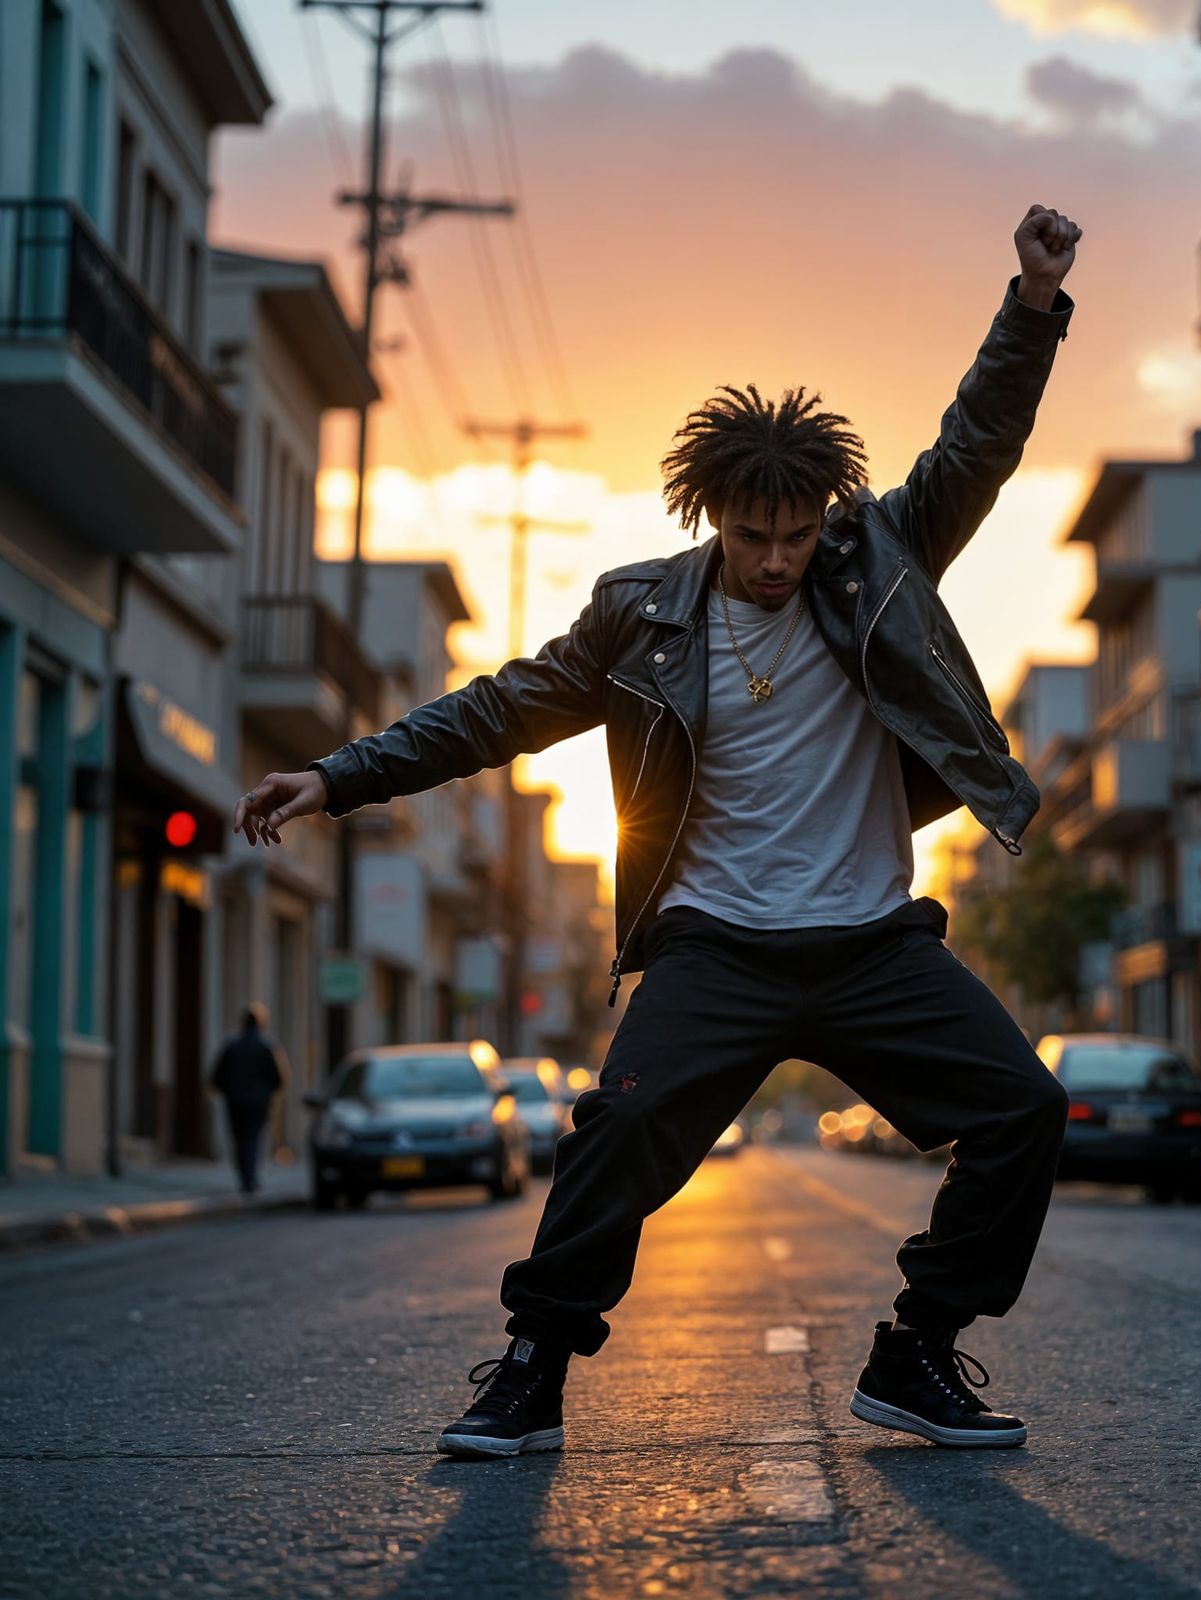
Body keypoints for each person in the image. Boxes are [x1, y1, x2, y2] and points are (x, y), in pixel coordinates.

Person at [234, 204, 1083, 1457]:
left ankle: (915, 1352)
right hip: (716, 948)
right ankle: (529, 1370)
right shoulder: (640, 616)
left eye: (798, 535)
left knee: (1025, 1111)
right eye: (754, 536)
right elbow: (501, 708)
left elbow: (979, 441)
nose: (779, 560)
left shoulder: (884, 557)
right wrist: (338, 774)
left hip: (871, 944)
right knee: (617, 1131)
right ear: (710, 515)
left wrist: (1029, 302)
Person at [208, 1004, 287, 1196]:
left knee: (239, 1139)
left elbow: (216, 1076)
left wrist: (226, 1090)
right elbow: (280, 1078)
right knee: (252, 1138)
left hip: (235, 1101)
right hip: (258, 1102)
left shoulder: (232, 1045)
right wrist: (268, 1093)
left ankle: (245, 1177)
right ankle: (249, 1178)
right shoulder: (266, 1046)